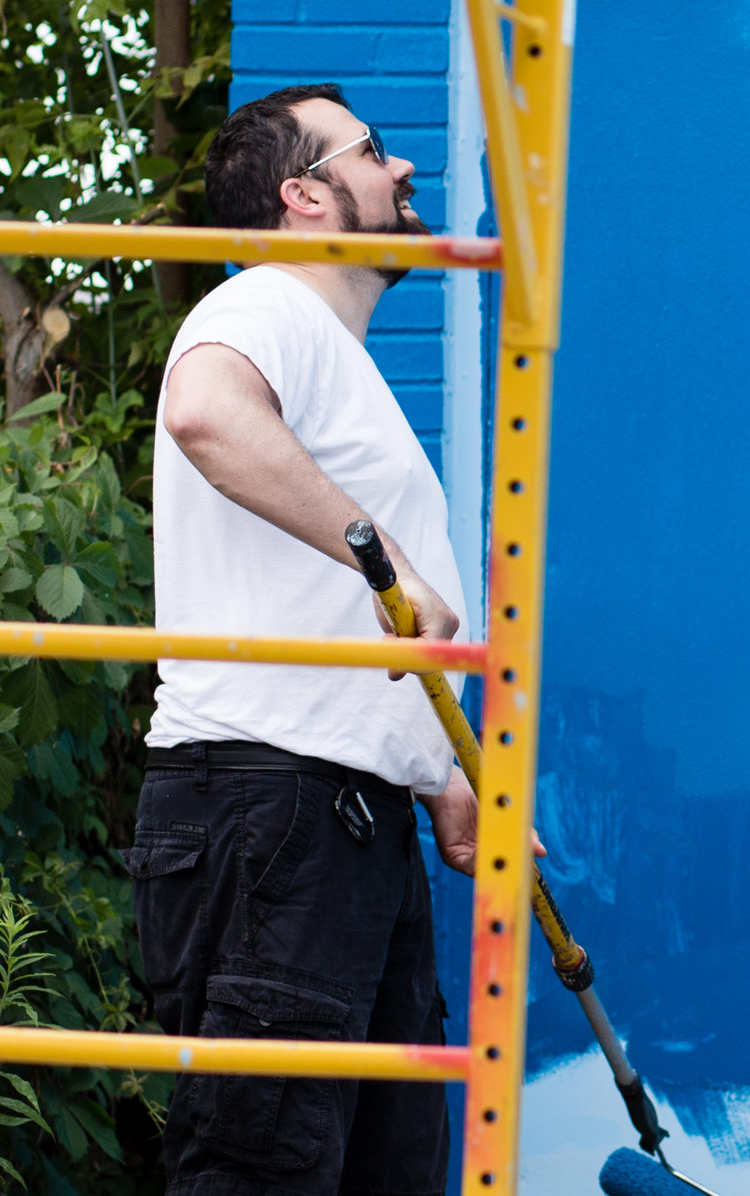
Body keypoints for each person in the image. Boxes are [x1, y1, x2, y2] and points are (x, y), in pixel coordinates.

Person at [130, 83, 481, 1196]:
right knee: (260, 1168)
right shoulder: (269, 305)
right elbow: (205, 412)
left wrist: (439, 774)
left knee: (384, 1171)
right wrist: (391, 563)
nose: (405, 171)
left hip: (341, 819)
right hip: (274, 806)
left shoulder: (334, 357)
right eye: (373, 152)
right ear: (305, 196)